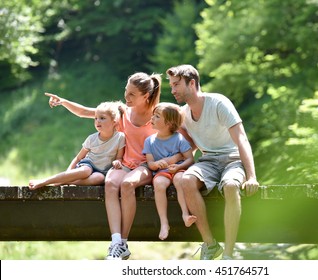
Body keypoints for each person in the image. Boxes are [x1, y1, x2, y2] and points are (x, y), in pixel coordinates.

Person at [45, 72, 181, 260]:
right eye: (126, 92)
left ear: (146, 96)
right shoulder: (122, 111)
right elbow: (86, 112)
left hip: (145, 166)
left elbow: (181, 136)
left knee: (127, 185)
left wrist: (179, 162)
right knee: (110, 183)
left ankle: (123, 243)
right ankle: (115, 242)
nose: (127, 97)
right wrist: (63, 101)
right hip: (123, 164)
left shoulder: (158, 114)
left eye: (132, 94)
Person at [166, 64, 260, 260]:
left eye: (176, 85)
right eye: (171, 86)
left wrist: (251, 176)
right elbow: (187, 148)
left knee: (231, 185)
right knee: (186, 180)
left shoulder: (218, 103)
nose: (173, 90)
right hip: (207, 160)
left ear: (192, 83)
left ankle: (228, 253)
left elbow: (241, 139)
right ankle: (210, 244)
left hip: (233, 159)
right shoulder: (183, 114)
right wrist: (167, 163)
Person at [29, 101, 125, 190]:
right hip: (88, 165)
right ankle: (45, 181)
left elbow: (119, 158)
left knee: (99, 179)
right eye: (96, 118)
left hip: (102, 171)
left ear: (114, 121)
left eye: (102, 118)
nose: (97, 121)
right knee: (86, 171)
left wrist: (117, 162)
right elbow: (78, 158)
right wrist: (68, 172)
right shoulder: (91, 139)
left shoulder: (120, 137)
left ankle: (68, 182)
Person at [143, 102, 197, 240]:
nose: (152, 119)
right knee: (159, 184)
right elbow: (150, 164)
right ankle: (164, 223)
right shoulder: (149, 141)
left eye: (157, 116)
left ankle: (185, 214)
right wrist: (156, 164)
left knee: (180, 180)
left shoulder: (178, 138)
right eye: (153, 115)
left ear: (168, 123)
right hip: (162, 172)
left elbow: (190, 159)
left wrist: (179, 167)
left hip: (179, 170)